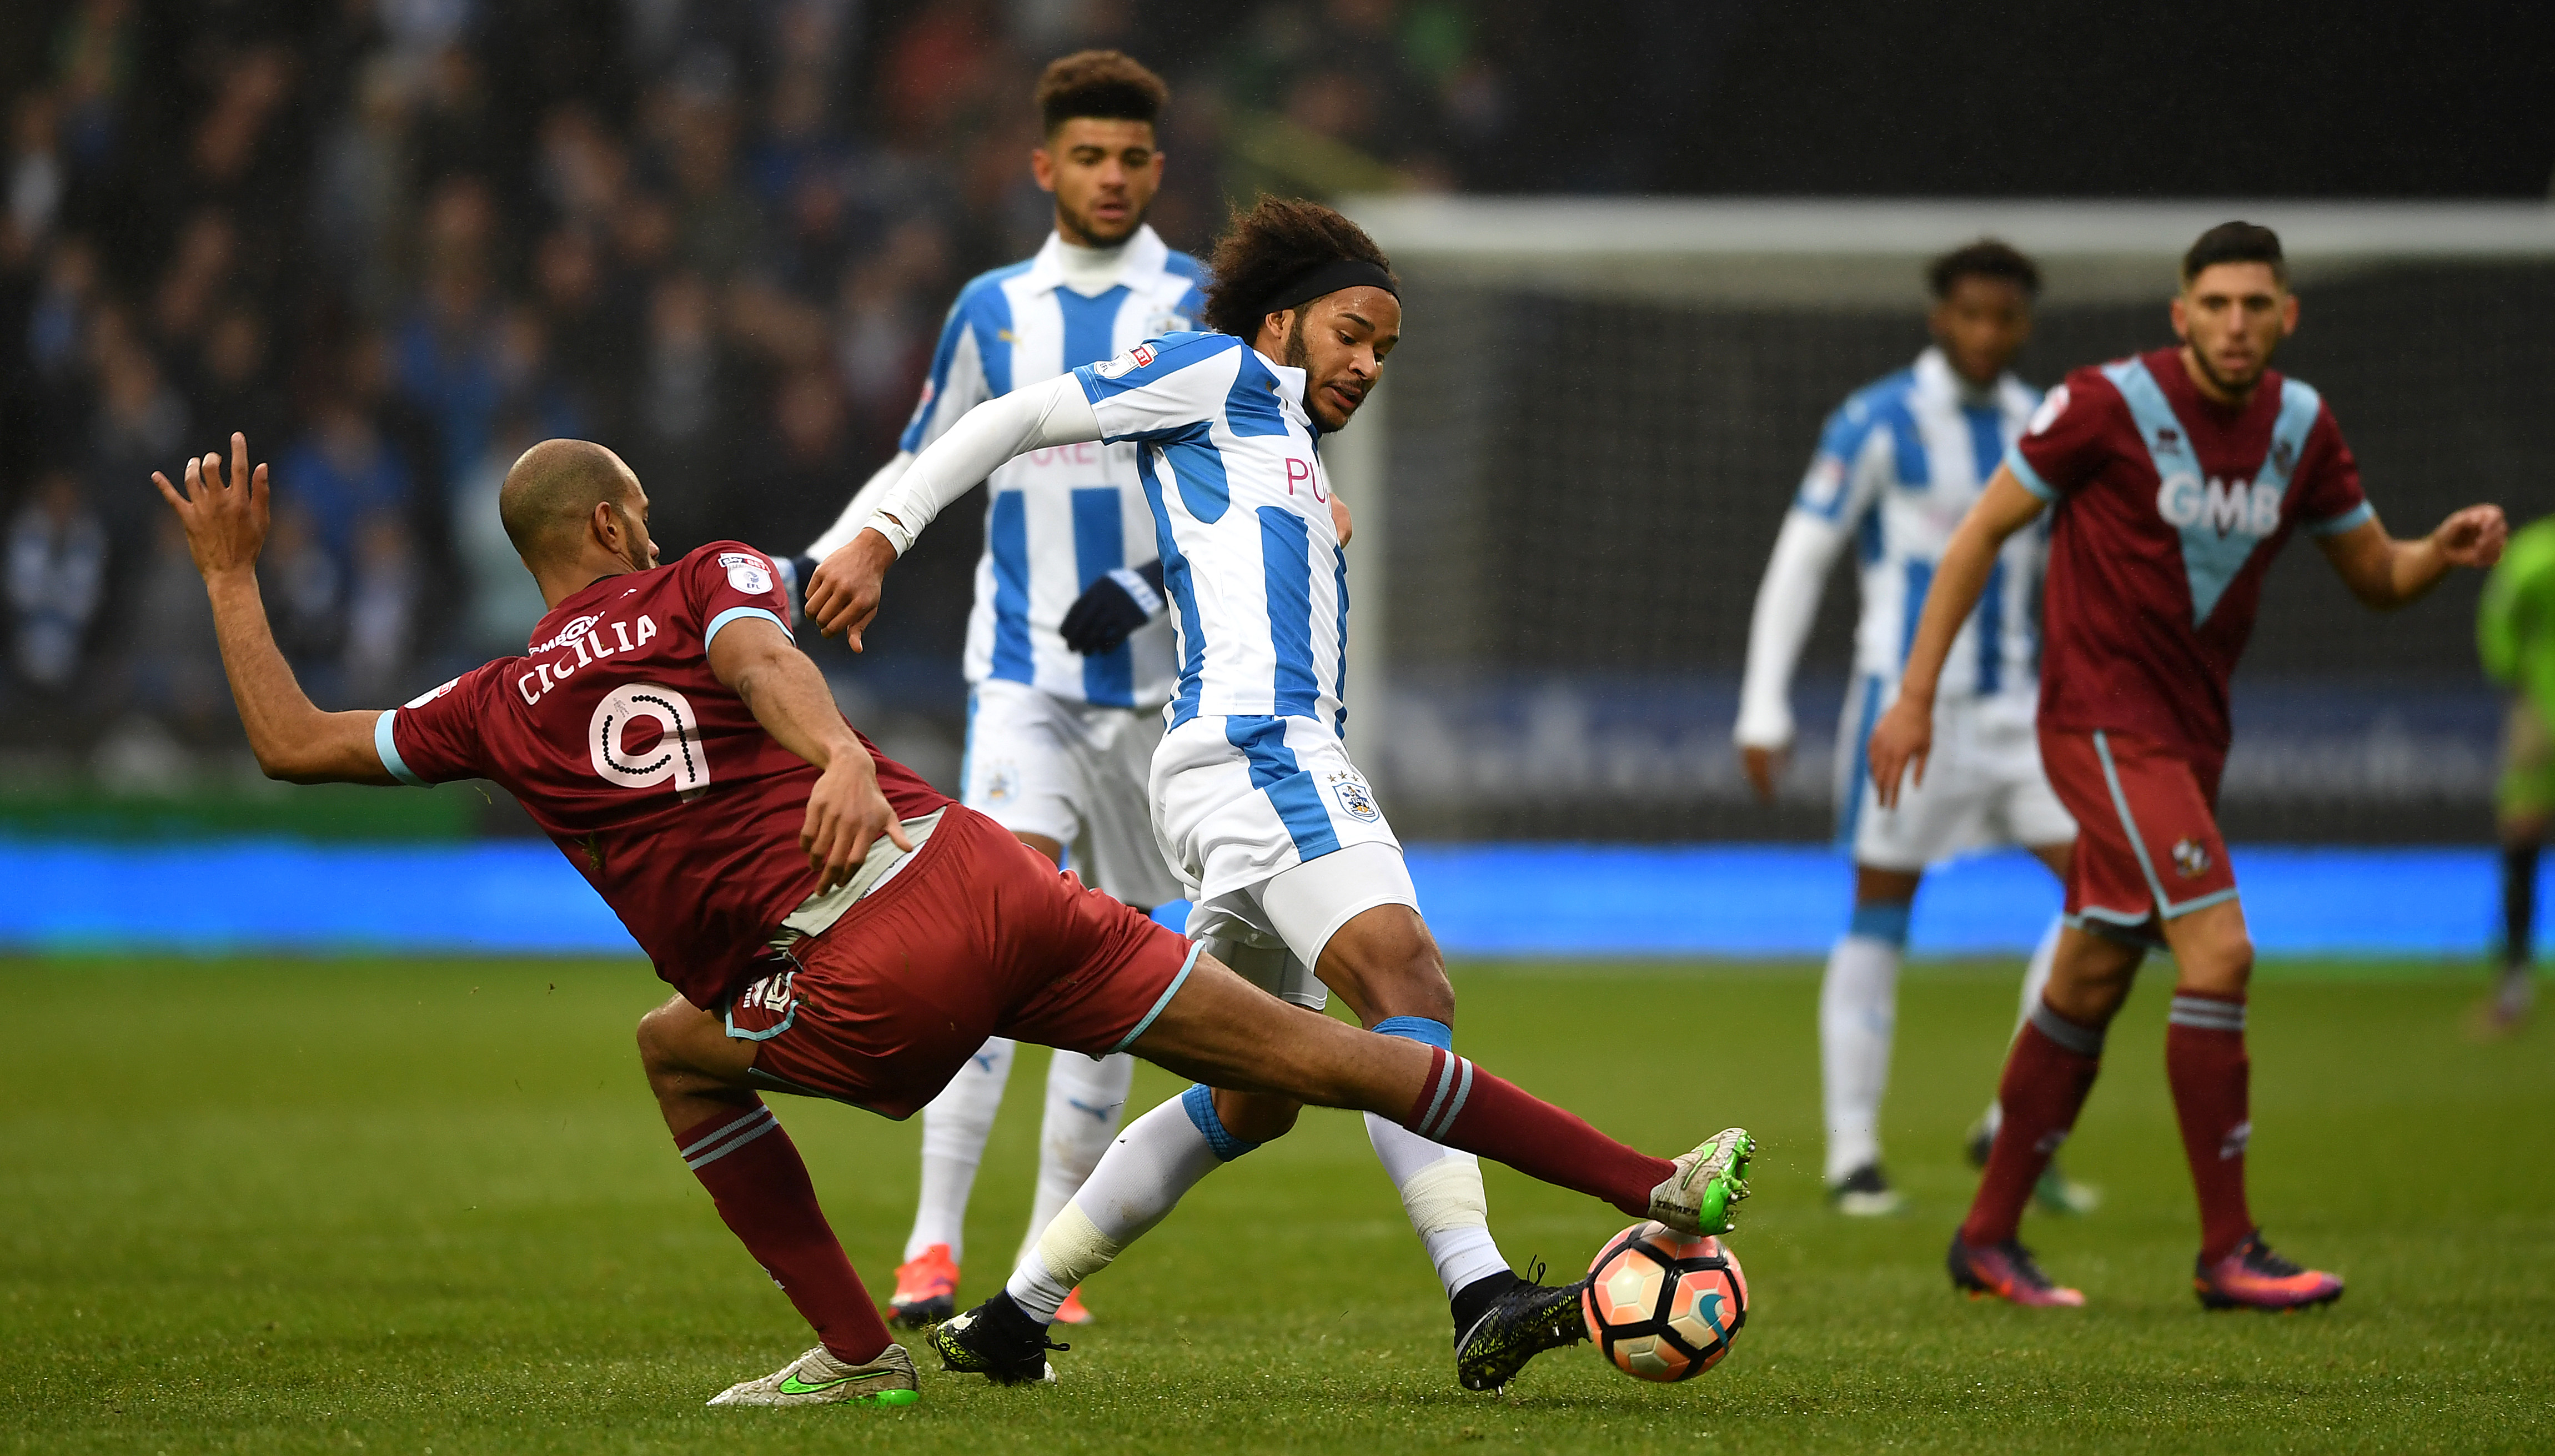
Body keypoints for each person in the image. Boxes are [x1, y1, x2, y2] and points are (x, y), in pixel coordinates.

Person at [153, 430, 1755, 1405]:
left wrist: (231, 570)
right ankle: (1661, 1179)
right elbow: (762, 658)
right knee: (1328, 1054)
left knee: (674, 1049)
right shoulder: (707, 571)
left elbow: (294, 741)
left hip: (865, 964)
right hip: (986, 872)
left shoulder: (489, 703)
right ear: (617, 526)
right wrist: (844, 745)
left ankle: (856, 1351)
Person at [804, 197, 1614, 1393]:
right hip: (1263, 756)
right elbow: (1020, 413)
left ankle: (1015, 1313)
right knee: (1406, 986)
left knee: (1251, 1096)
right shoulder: (1216, 367)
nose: (1367, 364)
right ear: (1281, 320)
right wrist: (879, 531)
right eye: (1351, 333)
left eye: (1384, 350)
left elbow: (1213, 548)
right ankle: (1480, 1289)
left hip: (1229, 765)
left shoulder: (1280, 444)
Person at [1867, 222, 2507, 1309]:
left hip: (2186, 741)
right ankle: (2227, 1251)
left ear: (2284, 317)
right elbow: (1975, 532)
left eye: (2254, 305)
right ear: (2179, 314)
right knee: (2217, 953)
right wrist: (1913, 694)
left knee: (2089, 977)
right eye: (2213, 304)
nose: (2233, 323)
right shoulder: (2101, 404)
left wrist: (2432, 557)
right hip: (2098, 729)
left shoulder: (2298, 427)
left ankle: (1983, 1240)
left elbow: (2374, 575)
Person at [787, 51, 1202, 1331]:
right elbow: (929, 456)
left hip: (1159, 690)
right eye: (1089, 156)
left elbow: (1240, 472)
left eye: (1132, 158)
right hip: (1022, 669)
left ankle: (1043, 1262)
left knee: (1113, 957)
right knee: (1002, 923)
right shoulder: (991, 307)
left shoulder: (1198, 296)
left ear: (1157, 169)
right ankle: (929, 1242)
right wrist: (819, 565)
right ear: (1044, 168)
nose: (1112, 177)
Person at [1736, 240, 2091, 1218]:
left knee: (2106, 896)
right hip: (1905, 712)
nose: (1986, 332)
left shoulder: (2043, 424)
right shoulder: (1879, 418)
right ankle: (1854, 1151)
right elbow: (1804, 553)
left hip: (2023, 712)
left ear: (2024, 324)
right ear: (1941, 317)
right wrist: (1763, 701)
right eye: (1970, 314)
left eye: (2004, 318)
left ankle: (2012, 1120)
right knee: (1881, 910)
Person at [2479, 514, 2555, 1032]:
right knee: (2522, 843)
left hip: (2539, 714)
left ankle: (2512, 989)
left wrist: (2514, 673)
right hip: (2541, 716)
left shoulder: (2532, 554)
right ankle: (2512, 986)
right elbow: (2501, 624)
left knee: (2521, 844)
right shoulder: (2535, 556)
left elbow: (2497, 625)